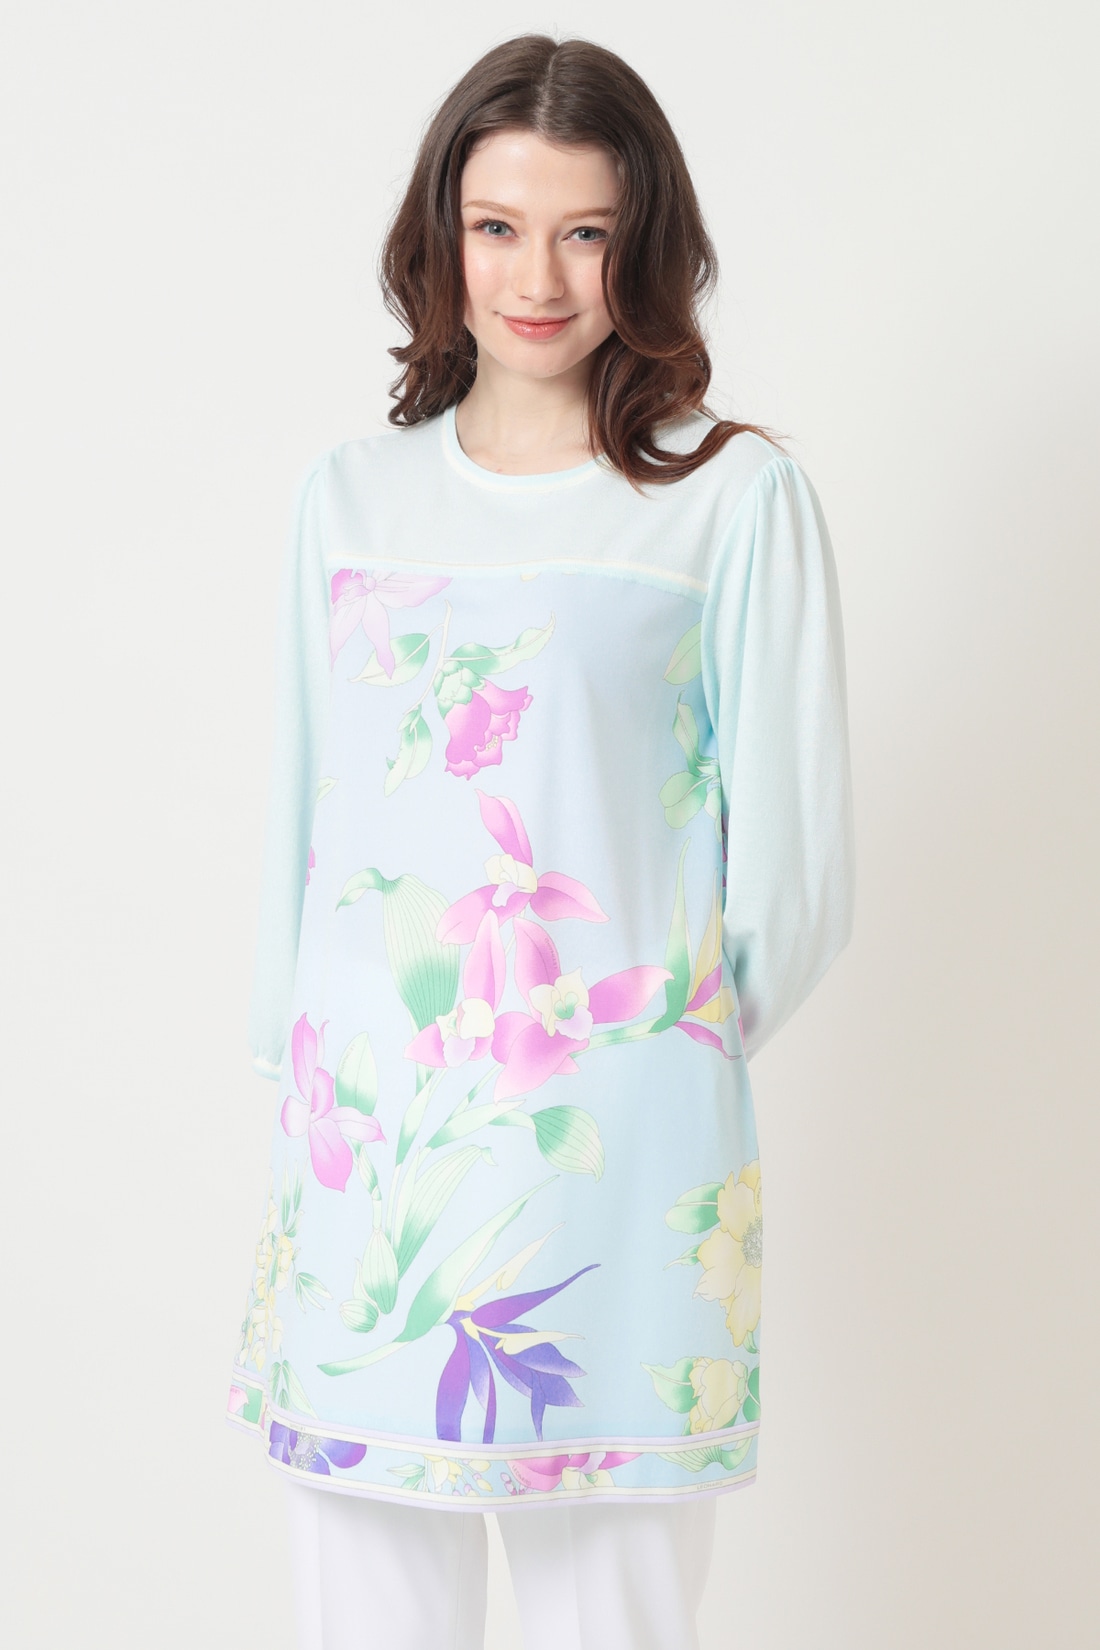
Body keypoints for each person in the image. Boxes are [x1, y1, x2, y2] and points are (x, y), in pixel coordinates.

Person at [225, 32, 855, 1650]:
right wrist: (315, 1074)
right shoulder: (349, 500)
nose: (539, 277)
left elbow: (795, 886)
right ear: (441, 236)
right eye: (499, 226)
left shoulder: (729, 502)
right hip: (372, 1176)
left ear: (645, 247)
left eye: (586, 232)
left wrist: (640, 1063)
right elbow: (305, 830)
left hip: (619, 1175)